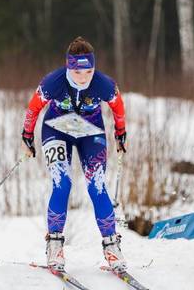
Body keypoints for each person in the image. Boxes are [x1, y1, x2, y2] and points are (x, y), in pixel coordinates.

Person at [21, 36, 127, 273]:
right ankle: (55, 245)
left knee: (97, 187)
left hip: (90, 132)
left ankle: (112, 247)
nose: (83, 77)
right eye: (78, 72)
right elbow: (33, 108)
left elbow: (118, 107)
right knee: (63, 183)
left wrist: (120, 132)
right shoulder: (53, 82)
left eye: (89, 71)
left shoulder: (104, 84)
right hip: (57, 129)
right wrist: (27, 136)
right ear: (69, 67)